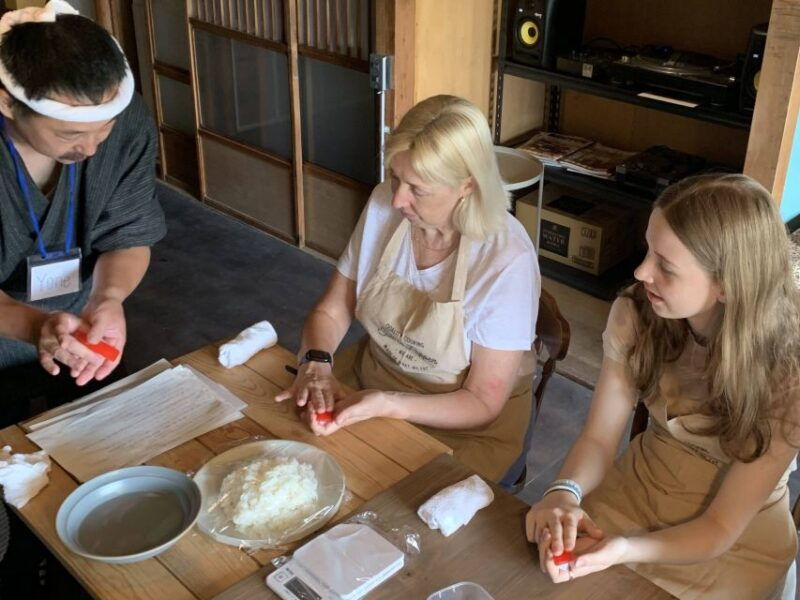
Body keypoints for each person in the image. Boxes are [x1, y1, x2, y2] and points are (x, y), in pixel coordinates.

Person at [525, 174, 800, 599]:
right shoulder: (636, 314)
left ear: (728, 286)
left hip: (734, 542)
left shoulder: (788, 371)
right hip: (639, 490)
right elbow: (599, 438)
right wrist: (565, 491)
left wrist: (626, 550)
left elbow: (720, 528)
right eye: (648, 249)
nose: (640, 271)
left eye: (665, 267)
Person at [276, 95, 540, 482]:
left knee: (392, 514)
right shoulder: (386, 203)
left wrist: (389, 405)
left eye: (417, 189)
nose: (398, 198)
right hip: (373, 381)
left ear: (467, 185)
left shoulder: (506, 260)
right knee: (289, 464)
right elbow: (333, 310)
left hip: (465, 425)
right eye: (395, 177)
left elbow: (483, 401)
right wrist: (316, 361)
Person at [0, 1, 166, 420]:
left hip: (80, 327)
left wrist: (108, 298)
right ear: (7, 103)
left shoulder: (126, 123)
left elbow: (129, 236)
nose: (90, 149)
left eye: (103, 129)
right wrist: (35, 327)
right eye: (69, 133)